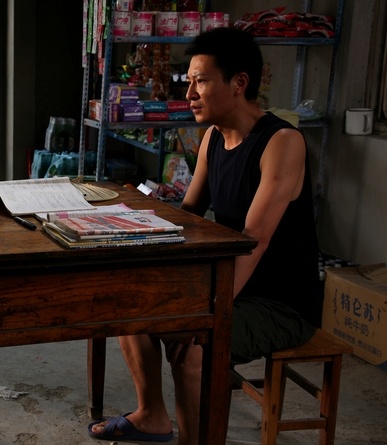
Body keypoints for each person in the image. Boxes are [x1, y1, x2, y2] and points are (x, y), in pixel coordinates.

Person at [88, 27, 321, 445]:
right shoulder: (213, 136)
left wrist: (206, 311)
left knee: (194, 346)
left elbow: (255, 238)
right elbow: (191, 213)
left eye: (201, 80)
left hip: (279, 301)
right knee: (130, 302)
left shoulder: (282, 143)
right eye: (189, 81)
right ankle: (152, 416)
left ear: (239, 84)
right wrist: (130, 218)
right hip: (229, 279)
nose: (190, 92)